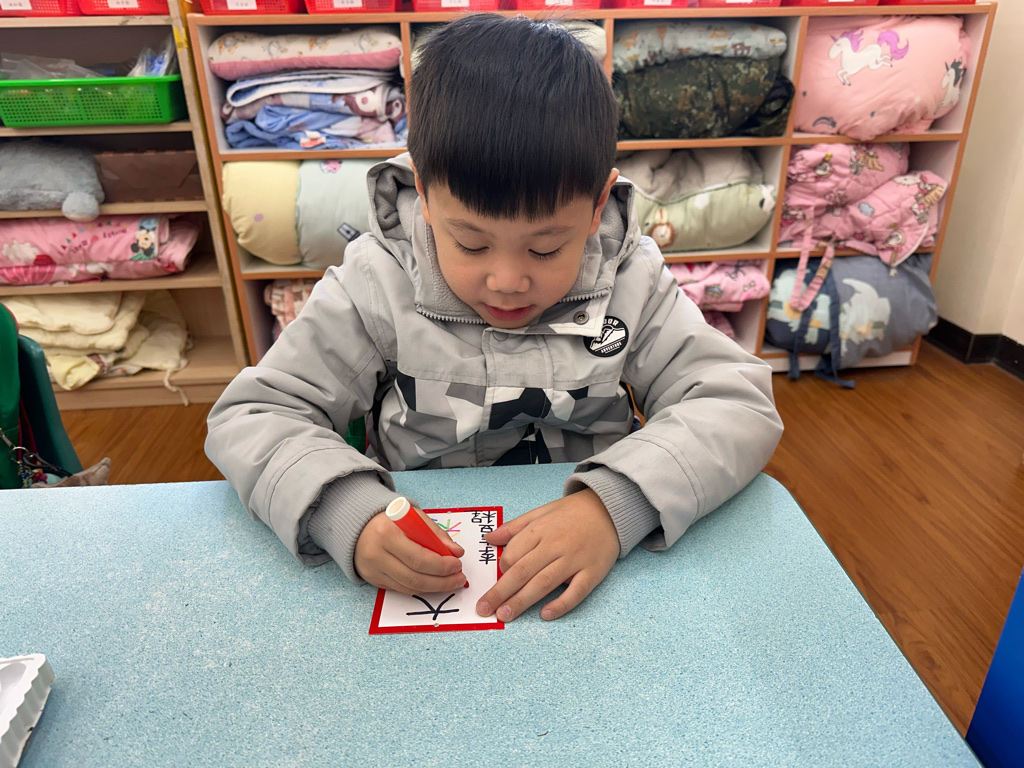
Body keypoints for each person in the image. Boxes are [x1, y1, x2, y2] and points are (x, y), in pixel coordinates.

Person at [205, 14, 784, 624]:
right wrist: (344, 508)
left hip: (600, 571)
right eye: (471, 243)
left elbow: (736, 403)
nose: (507, 280)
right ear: (426, 197)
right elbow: (256, 414)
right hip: (426, 566)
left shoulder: (631, 276)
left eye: (546, 248)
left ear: (596, 208)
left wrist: (615, 505)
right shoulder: (377, 279)